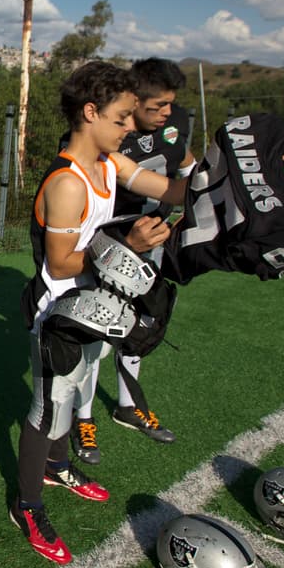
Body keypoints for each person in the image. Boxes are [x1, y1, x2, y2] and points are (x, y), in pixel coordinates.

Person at [11, 61, 188, 565]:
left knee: (75, 391)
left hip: (95, 305)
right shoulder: (66, 182)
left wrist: (221, 177)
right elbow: (62, 261)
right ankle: (27, 505)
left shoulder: (110, 165)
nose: (131, 127)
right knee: (47, 408)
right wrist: (125, 244)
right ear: (90, 113)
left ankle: (58, 467)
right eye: (121, 117)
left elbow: (168, 190)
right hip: (58, 316)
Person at [69, 57, 197, 464]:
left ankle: (128, 404)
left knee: (140, 325)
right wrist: (124, 244)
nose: (165, 114)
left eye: (168, 106)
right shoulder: (100, 138)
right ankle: (82, 417)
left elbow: (182, 169)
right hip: (106, 246)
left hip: (150, 240)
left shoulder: (171, 122)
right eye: (154, 106)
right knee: (94, 335)